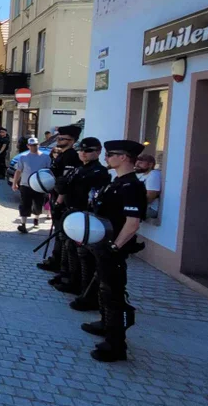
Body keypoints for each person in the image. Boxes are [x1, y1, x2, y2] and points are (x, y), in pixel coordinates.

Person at [83, 139, 147, 362]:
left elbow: (132, 223)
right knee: (104, 289)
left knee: (114, 295)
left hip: (114, 249)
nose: (106, 158)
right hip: (104, 245)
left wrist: (115, 246)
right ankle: (106, 324)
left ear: (124, 158)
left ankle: (116, 345)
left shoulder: (131, 186)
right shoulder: (116, 182)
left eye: (111, 154)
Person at [53, 137, 112, 306]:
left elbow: (94, 197)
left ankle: (86, 290)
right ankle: (72, 280)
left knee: (84, 254)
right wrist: (59, 202)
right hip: (72, 213)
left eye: (87, 151)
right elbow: (65, 187)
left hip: (85, 215)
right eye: (81, 150)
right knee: (69, 247)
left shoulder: (99, 172)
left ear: (98, 152)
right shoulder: (79, 169)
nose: (83, 154)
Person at [37, 125, 81, 272]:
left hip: (63, 200)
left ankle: (59, 263)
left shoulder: (71, 156)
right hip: (56, 196)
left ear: (72, 140)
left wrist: (58, 202)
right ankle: (56, 260)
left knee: (62, 234)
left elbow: (66, 182)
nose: (59, 140)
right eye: (59, 138)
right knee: (59, 232)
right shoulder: (62, 154)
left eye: (63, 138)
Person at [11, 137, 50, 233]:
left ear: (38, 145)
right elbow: (18, 171)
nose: (34, 147)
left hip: (39, 186)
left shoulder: (45, 157)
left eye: (35, 145)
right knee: (24, 204)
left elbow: (48, 171)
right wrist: (15, 183)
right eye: (31, 145)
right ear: (28, 146)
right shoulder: (23, 157)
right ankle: (23, 224)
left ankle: (36, 219)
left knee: (38, 204)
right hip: (25, 185)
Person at [135, 154, 162, 218]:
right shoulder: (142, 175)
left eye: (140, 163)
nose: (137, 165)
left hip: (150, 208)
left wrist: (133, 205)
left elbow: (150, 197)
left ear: (150, 165)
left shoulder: (154, 175)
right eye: (137, 162)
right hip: (141, 207)